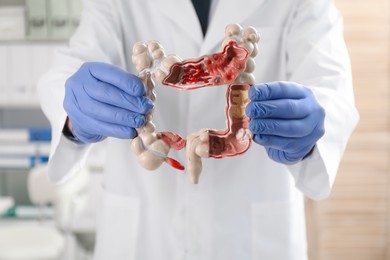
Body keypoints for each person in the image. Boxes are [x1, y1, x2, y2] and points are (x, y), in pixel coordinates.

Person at [37, 0, 359, 259]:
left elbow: (332, 88)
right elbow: (71, 66)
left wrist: (313, 126)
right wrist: (74, 115)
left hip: (252, 237)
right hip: (144, 236)